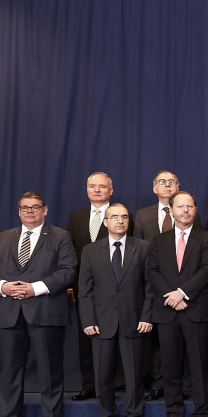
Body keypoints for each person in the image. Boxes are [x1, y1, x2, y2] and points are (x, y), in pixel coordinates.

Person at [0, 192, 76, 417]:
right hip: (9, 312)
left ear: (45, 210)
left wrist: (34, 289)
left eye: (35, 207)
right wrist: (2, 286)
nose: (30, 211)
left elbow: (68, 271)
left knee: (49, 368)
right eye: (25, 207)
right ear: (19, 211)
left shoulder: (60, 236)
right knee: (11, 370)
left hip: (45, 310)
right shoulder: (4, 237)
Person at [146, 191, 208, 417]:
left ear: (195, 210)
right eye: (180, 207)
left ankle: (201, 416)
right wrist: (172, 296)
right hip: (168, 313)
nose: (185, 211)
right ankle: (174, 416)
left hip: (196, 311)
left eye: (190, 206)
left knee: (199, 368)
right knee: (171, 368)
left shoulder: (207, 238)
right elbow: (153, 272)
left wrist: (183, 293)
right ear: (171, 211)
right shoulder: (159, 240)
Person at [78, 203, 154, 417]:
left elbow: (151, 286)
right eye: (114, 217)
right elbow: (85, 290)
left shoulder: (143, 248)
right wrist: (88, 320)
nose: (119, 221)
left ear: (129, 221)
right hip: (101, 322)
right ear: (105, 221)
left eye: (123, 217)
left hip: (134, 321)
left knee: (133, 374)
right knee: (102, 374)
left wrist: (146, 316)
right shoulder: (91, 250)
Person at [134, 170, 200, 401]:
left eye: (172, 181)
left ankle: (190, 389)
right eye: (162, 182)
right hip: (155, 286)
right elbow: (143, 257)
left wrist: (181, 293)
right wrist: (166, 292)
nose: (167, 185)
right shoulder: (142, 215)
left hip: (188, 292)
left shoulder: (189, 214)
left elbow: (196, 257)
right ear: (154, 188)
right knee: (159, 346)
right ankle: (158, 384)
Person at [66, 171, 117, 401]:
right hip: (83, 290)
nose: (97, 190)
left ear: (110, 191)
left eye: (102, 186)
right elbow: (69, 255)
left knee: (114, 337)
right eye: (92, 186)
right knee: (85, 338)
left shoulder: (121, 215)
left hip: (114, 289)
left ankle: (116, 384)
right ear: (86, 190)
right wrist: (71, 286)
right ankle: (89, 385)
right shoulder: (76, 217)